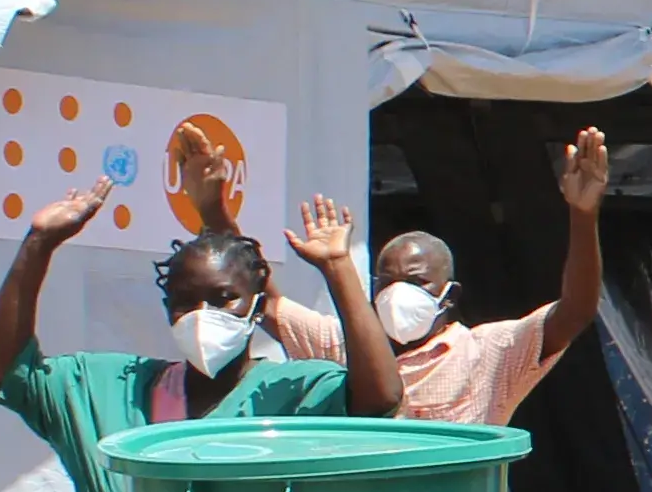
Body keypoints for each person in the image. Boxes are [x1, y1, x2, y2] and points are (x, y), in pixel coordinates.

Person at [0, 188, 398, 492]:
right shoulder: (109, 391)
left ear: (257, 309)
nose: (202, 314)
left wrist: (338, 270)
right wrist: (38, 244)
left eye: (222, 299)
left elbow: (380, 397)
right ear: (167, 309)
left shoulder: (291, 394)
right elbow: (8, 368)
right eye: (185, 301)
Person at [259, 123, 609, 427]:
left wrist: (583, 215)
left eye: (416, 282)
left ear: (449, 296)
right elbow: (265, 304)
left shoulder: (488, 353)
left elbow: (575, 312)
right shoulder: (342, 343)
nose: (398, 294)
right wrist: (216, 210)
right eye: (388, 282)